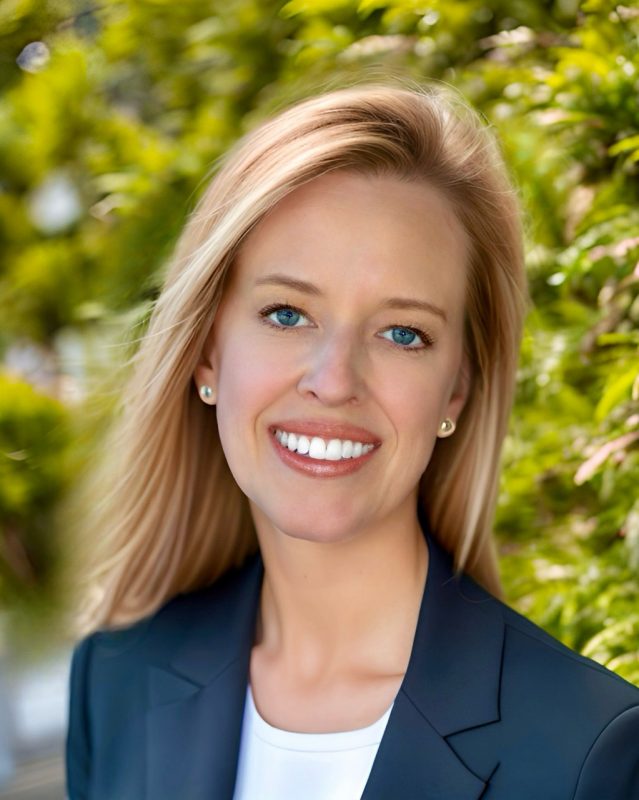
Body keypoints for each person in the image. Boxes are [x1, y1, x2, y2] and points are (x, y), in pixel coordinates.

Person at [65, 82, 639, 800]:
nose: (333, 380)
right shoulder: (113, 683)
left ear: (454, 390)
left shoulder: (591, 752)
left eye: (403, 333)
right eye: (285, 313)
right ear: (206, 354)